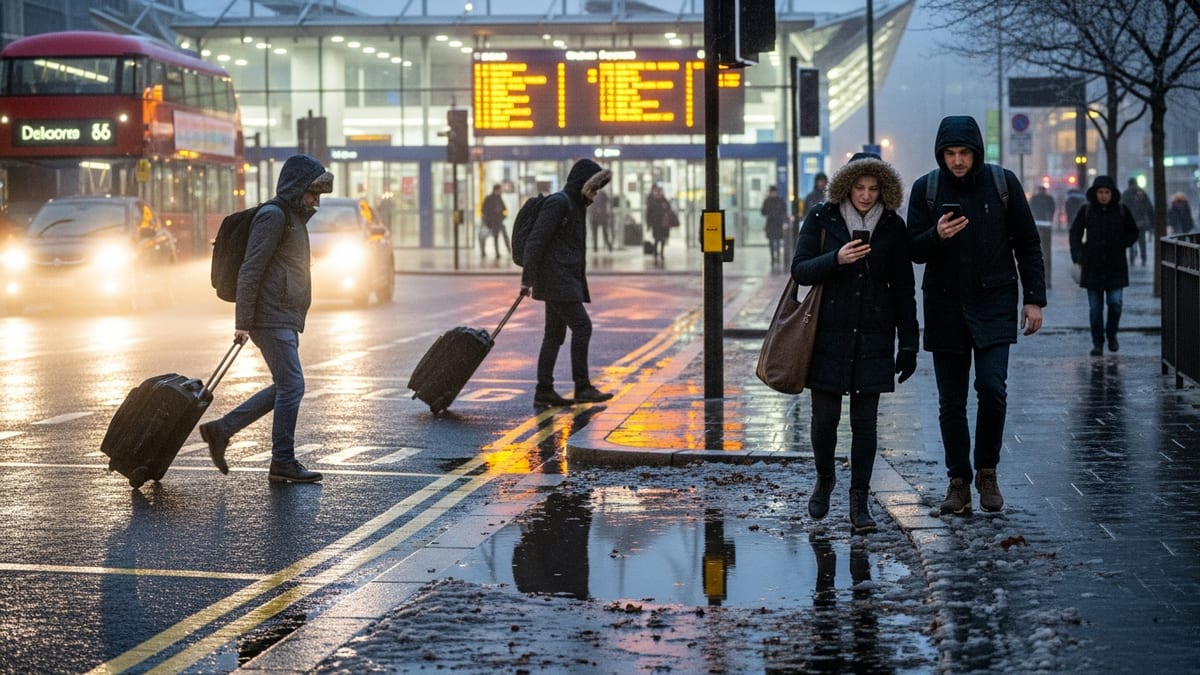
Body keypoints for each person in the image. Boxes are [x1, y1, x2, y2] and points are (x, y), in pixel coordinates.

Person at [906, 115, 1046, 516]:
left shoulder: (1002, 184)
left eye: (964, 152)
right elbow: (912, 249)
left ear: (976, 152)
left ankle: (988, 472)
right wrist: (937, 235)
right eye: (950, 153)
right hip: (945, 305)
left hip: (995, 301)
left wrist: (1034, 299)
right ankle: (958, 482)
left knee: (992, 388)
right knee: (951, 401)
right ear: (941, 155)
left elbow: (1027, 242)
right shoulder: (926, 189)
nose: (957, 161)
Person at [791, 152, 919, 534]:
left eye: (873, 188)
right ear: (846, 186)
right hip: (827, 333)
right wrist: (836, 258)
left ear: (885, 189)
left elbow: (904, 289)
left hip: (874, 335)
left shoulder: (894, 226)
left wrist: (909, 342)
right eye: (859, 187)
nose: (865, 195)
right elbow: (800, 270)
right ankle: (825, 478)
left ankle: (859, 499)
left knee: (864, 424)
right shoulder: (821, 217)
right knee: (824, 420)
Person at [199, 154, 333, 483]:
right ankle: (282, 461)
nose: (316, 201)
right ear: (296, 187)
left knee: (284, 386)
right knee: (293, 385)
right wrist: (242, 321)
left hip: (282, 315)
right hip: (268, 317)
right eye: (312, 192)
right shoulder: (274, 216)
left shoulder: (293, 219)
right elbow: (251, 269)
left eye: (318, 194)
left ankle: (222, 429)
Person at [519, 158, 614, 407]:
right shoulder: (559, 203)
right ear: (582, 184)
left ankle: (544, 390)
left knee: (554, 335)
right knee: (582, 327)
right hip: (557, 280)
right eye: (593, 188)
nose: (595, 195)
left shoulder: (575, 205)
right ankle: (582, 387)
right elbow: (536, 241)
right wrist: (527, 279)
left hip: (563, 278)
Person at [1069, 175, 1139, 356]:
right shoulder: (1087, 210)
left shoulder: (1122, 211)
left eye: (1106, 192)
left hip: (1115, 267)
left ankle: (1112, 334)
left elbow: (1133, 232)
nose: (1103, 196)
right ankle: (1098, 343)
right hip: (1092, 267)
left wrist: (1122, 243)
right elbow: (1075, 233)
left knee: (1115, 304)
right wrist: (1077, 255)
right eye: (1100, 192)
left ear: (1112, 193)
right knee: (1095, 309)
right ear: (1095, 193)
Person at [1122, 178, 1154, 266]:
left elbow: (1122, 208)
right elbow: (1149, 207)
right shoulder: (1142, 193)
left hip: (1130, 222)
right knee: (1142, 241)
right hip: (1141, 222)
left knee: (1131, 241)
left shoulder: (1126, 194)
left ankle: (1132, 258)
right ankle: (1143, 258)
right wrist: (1152, 223)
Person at [760, 185, 789, 268]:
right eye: (772, 192)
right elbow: (762, 212)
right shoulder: (767, 201)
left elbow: (784, 211)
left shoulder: (780, 201)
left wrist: (783, 220)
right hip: (770, 225)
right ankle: (773, 257)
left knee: (778, 241)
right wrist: (769, 213)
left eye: (774, 192)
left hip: (778, 225)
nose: (773, 194)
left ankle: (778, 257)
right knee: (771, 242)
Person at [481, 183, 510, 259]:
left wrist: (503, 216)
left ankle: (506, 250)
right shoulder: (488, 198)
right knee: (487, 236)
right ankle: (484, 251)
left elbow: (504, 208)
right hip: (490, 222)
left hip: (498, 221)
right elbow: (483, 210)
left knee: (501, 235)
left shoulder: (499, 198)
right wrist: (488, 218)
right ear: (496, 190)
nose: (501, 191)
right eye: (500, 190)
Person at [645, 183, 672, 262]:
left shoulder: (664, 200)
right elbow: (648, 213)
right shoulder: (651, 200)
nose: (658, 192)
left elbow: (668, 208)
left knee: (663, 239)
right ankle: (655, 252)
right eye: (656, 191)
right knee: (656, 238)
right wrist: (648, 223)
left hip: (663, 223)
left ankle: (661, 252)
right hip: (655, 223)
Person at [588, 188, 614, 252]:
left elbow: (608, 202)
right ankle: (595, 247)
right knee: (595, 233)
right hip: (595, 216)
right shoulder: (592, 193)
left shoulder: (602, 194)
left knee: (604, 233)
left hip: (601, 216)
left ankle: (608, 246)